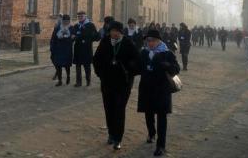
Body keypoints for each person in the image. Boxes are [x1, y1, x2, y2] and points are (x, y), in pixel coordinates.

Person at [93, 21, 141, 151]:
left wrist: (128, 69)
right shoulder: (105, 42)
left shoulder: (128, 43)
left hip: (123, 84)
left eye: (117, 31)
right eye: (112, 31)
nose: (114, 33)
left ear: (121, 32)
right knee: (109, 109)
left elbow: (137, 61)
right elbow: (96, 59)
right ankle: (111, 133)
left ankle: (118, 138)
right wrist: (100, 73)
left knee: (119, 110)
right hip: (107, 83)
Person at [138, 29, 180, 157]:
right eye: (148, 40)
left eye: (153, 41)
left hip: (162, 89)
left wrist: (166, 65)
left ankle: (161, 145)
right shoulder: (144, 52)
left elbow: (176, 69)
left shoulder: (167, 53)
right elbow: (138, 66)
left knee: (162, 117)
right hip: (147, 88)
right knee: (148, 113)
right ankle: (151, 133)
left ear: (158, 41)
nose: (150, 43)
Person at [72, 10, 100, 87]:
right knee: (78, 66)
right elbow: (73, 36)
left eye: (82, 16)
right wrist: (73, 37)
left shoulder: (90, 25)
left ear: (85, 16)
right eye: (79, 16)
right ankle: (78, 82)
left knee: (87, 66)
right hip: (78, 48)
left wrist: (88, 40)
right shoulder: (76, 26)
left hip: (86, 49)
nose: (80, 18)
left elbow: (96, 37)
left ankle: (88, 80)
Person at [50, 14, 74, 86]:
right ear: (62, 21)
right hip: (58, 49)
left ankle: (68, 76)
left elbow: (73, 38)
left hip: (67, 49)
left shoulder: (71, 28)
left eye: (67, 21)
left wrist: (71, 38)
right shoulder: (57, 28)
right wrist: (52, 47)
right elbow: (53, 38)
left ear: (69, 21)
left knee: (67, 65)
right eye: (64, 21)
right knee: (58, 65)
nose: (65, 22)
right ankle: (60, 80)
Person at [51, 13, 63, 80]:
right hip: (54, 46)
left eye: (60, 17)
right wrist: (51, 45)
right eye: (58, 18)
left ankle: (58, 73)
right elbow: (53, 37)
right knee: (52, 58)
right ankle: (58, 72)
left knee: (58, 61)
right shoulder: (56, 26)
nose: (58, 19)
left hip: (60, 48)